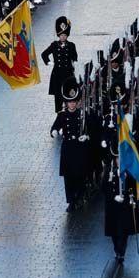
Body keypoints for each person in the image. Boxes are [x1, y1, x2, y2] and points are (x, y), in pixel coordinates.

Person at [50, 81, 97, 211]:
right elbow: (54, 127)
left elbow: (92, 129)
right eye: (70, 102)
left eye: (74, 101)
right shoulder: (62, 115)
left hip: (80, 148)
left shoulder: (82, 114)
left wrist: (87, 136)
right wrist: (54, 132)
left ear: (77, 102)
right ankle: (71, 200)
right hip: (68, 148)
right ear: (66, 103)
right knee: (68, 176)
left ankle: (80, 195)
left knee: (80, 174)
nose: (72, 104)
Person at [40, 16, 78, 113]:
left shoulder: (71, 45)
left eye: (65, 35)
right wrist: (49, 62)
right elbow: (44, 54)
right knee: (58, 98)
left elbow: (75, 58)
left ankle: (68, 113)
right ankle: (59, 115)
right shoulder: (54, 45)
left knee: (68, 95)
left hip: (68, 74)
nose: (63, 37)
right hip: (57, 75)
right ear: (58, 35)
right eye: (61, 35)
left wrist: (75, 67)